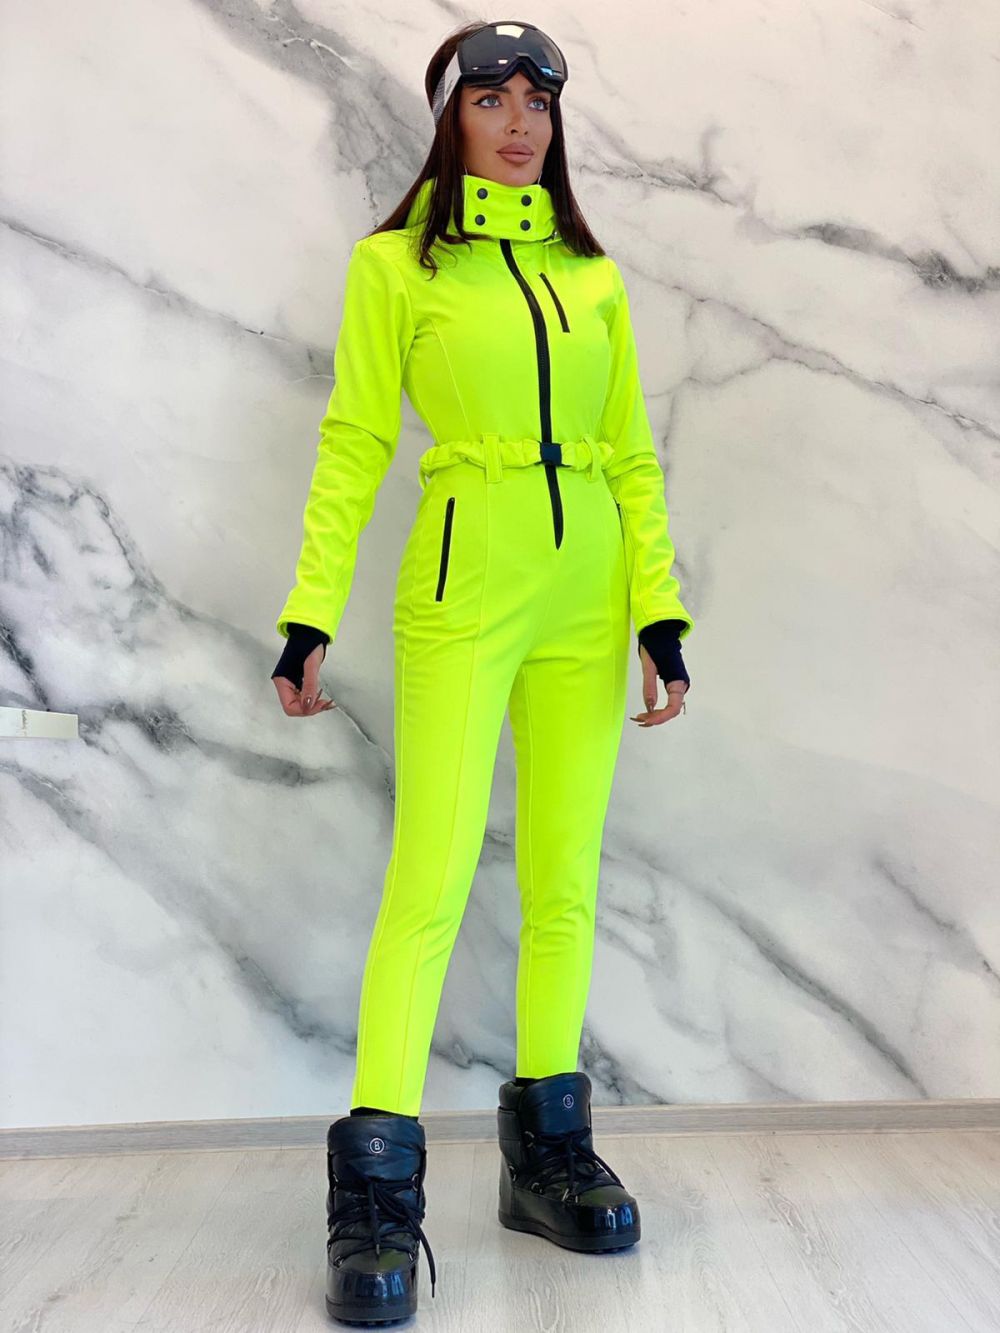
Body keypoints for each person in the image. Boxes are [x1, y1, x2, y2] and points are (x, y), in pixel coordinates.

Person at [271, 19, 695, 1326]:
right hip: (462, 591)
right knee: (431, 883)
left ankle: (548, 1153)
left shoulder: (592, 273)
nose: (519, 124)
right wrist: (310, 609)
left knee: (565, 879)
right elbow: (355, 439)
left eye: (538, 103)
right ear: (449, 116)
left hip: (587, 598)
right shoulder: (397, 265)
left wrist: (659, 610)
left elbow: (631, 453)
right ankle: (376, 1192)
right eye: (491, 99)